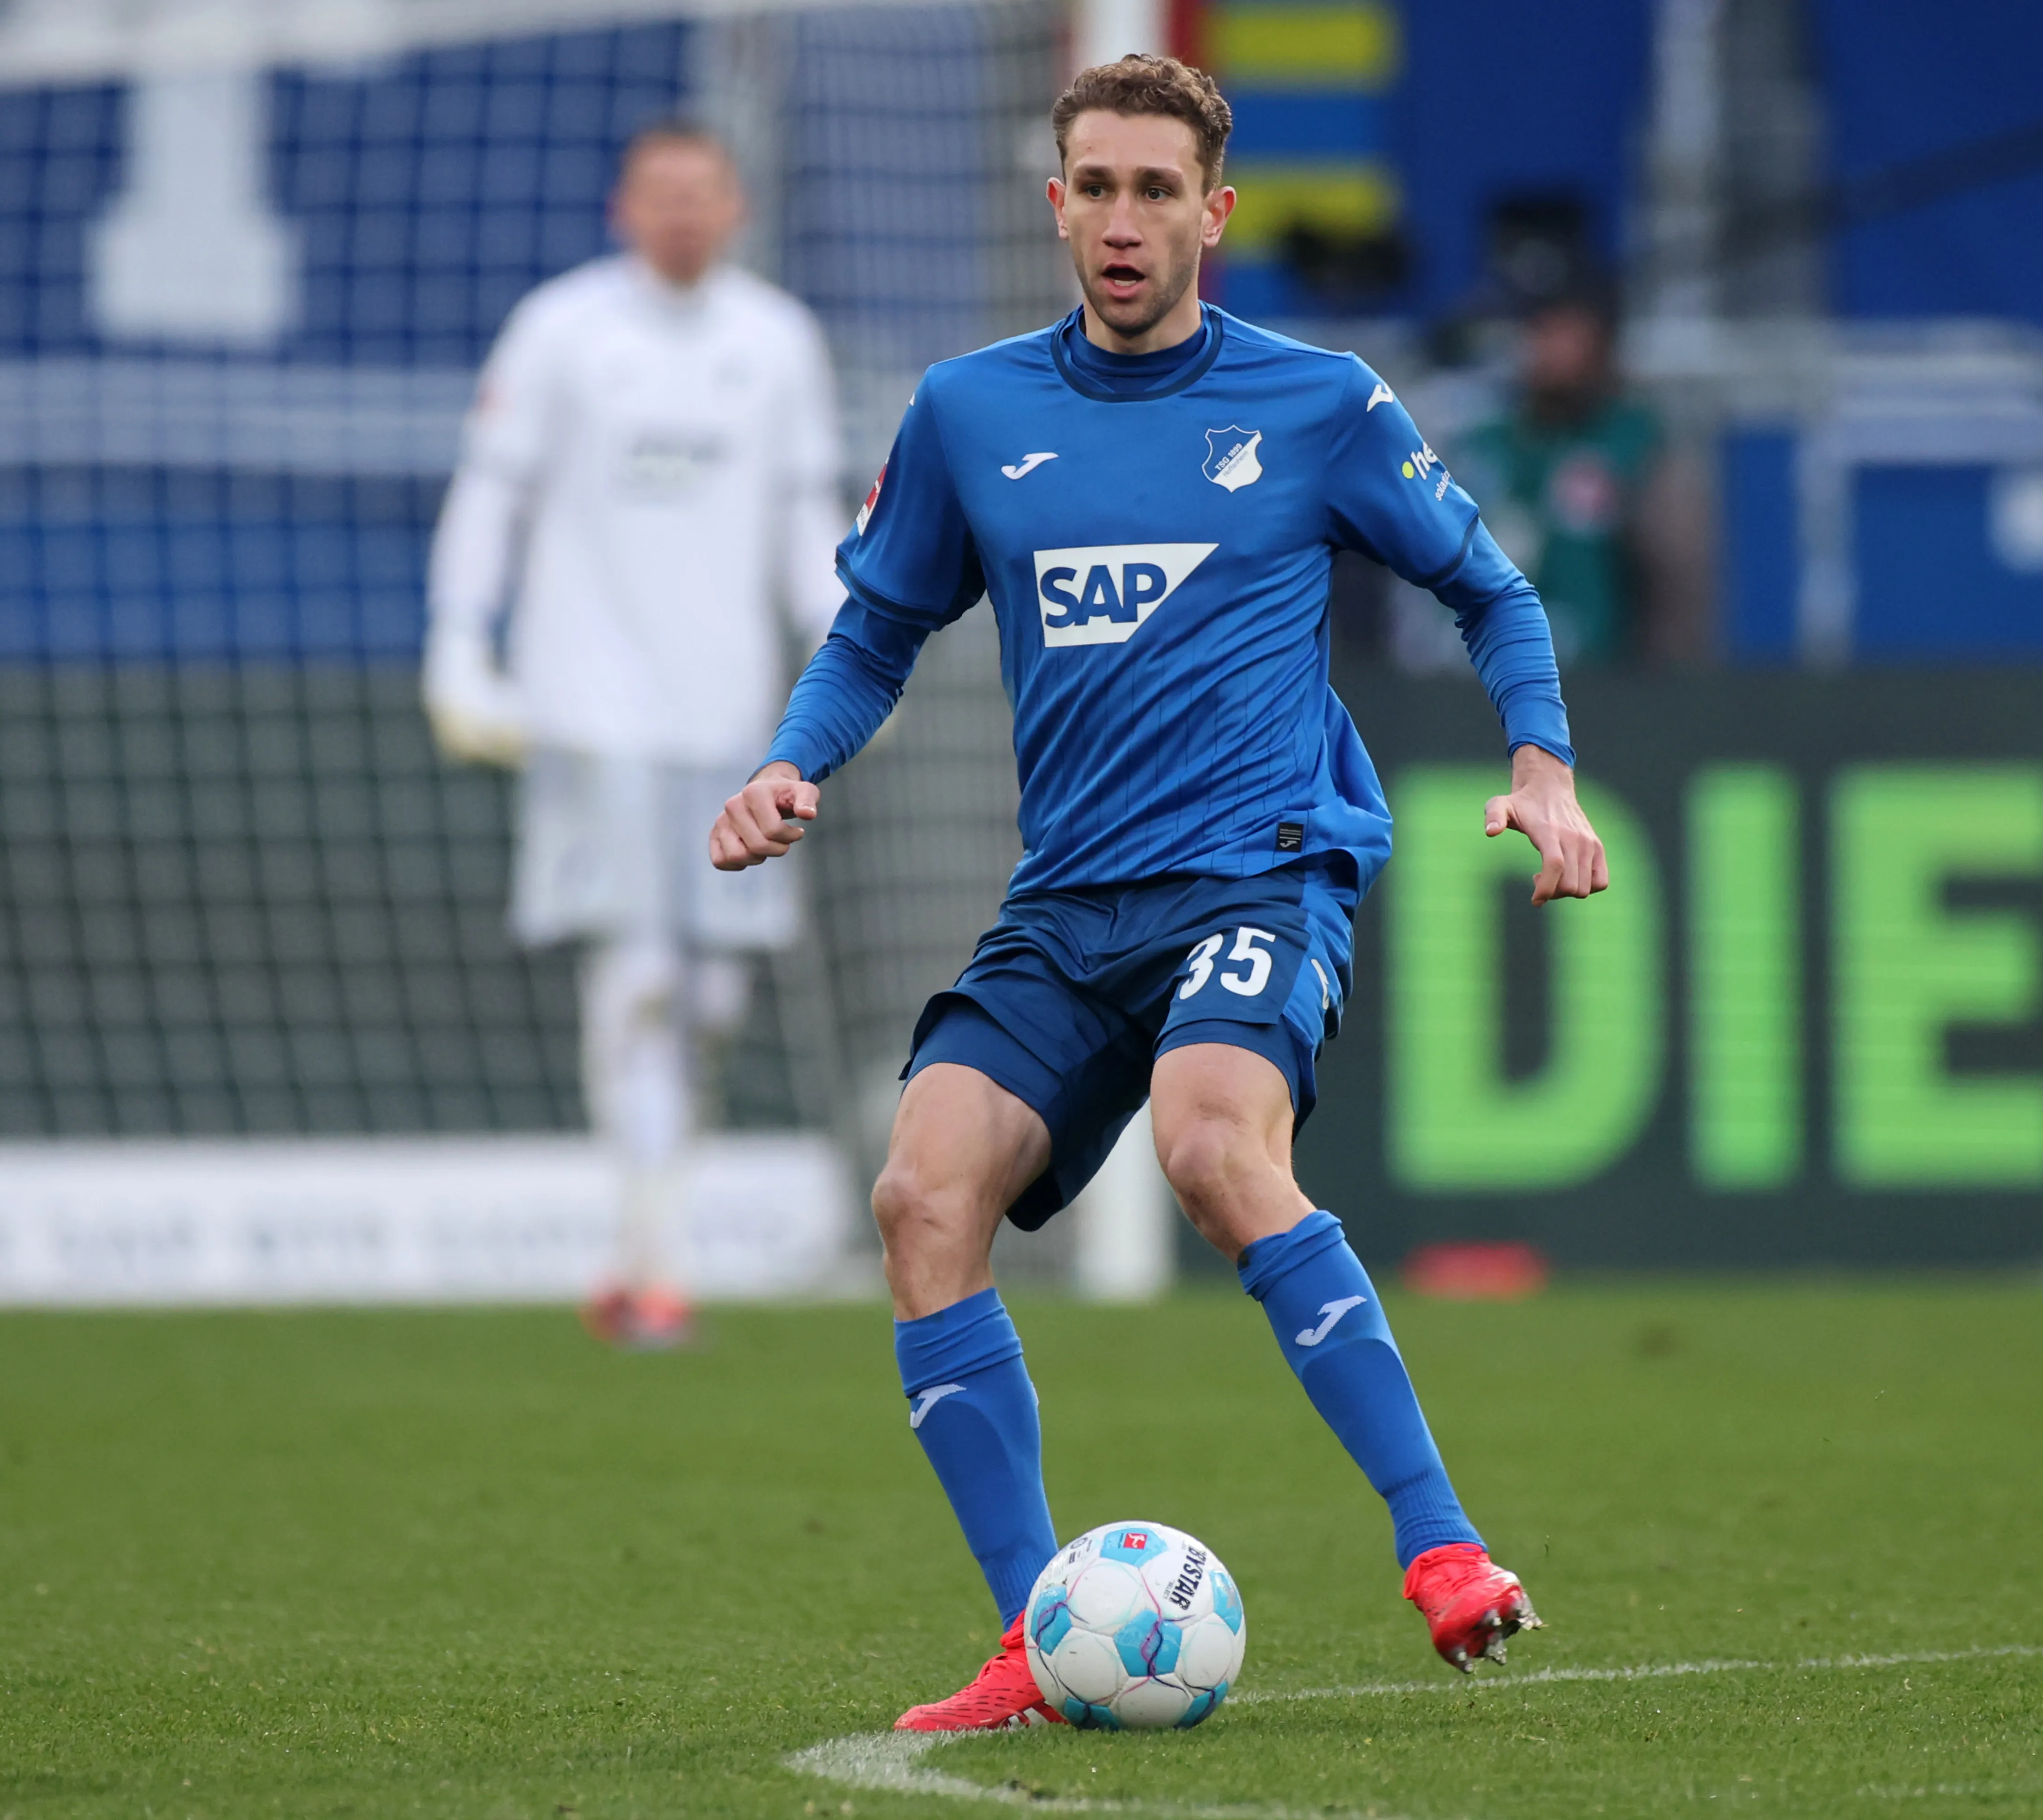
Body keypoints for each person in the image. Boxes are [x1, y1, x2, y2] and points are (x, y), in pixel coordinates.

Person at [708, 56, 1607, 1730]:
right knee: (919, 1195)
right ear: (1056, 206)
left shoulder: (1318, 404)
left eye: (1155, 190)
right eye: (1096, 189)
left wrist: (1541, 768)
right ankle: (1032, 1641)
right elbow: (877, 627)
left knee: (1211, 1147)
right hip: (1069, 903)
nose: (1123, 221)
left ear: (1214, 214)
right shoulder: (967, 413)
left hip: (1258, 868)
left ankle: (1440, 1546)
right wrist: (790, 760)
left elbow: (1492, 593)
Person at [425, 122, 849, 1350]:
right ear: (623, 206)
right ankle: (661, 1267)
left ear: (735, 207)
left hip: (735, 724)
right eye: (660, 192)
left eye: (701, 192)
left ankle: (634, 1251)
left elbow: (803, 523)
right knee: (643, 978)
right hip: (589, 709)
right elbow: (491, 493)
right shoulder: (561, 330)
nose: (681, 212)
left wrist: (852, 650)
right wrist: (459, 645)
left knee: (711, 995)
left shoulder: (778, 342)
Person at [1447, 290, 1710, 668]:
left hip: (1601, 674)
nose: (1552, 349)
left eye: (1568, 333)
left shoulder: (1636, 443)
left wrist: (1663, 671)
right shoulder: (1485, 444)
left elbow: (1676, 578)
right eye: (1541, 331)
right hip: (1487, 674)